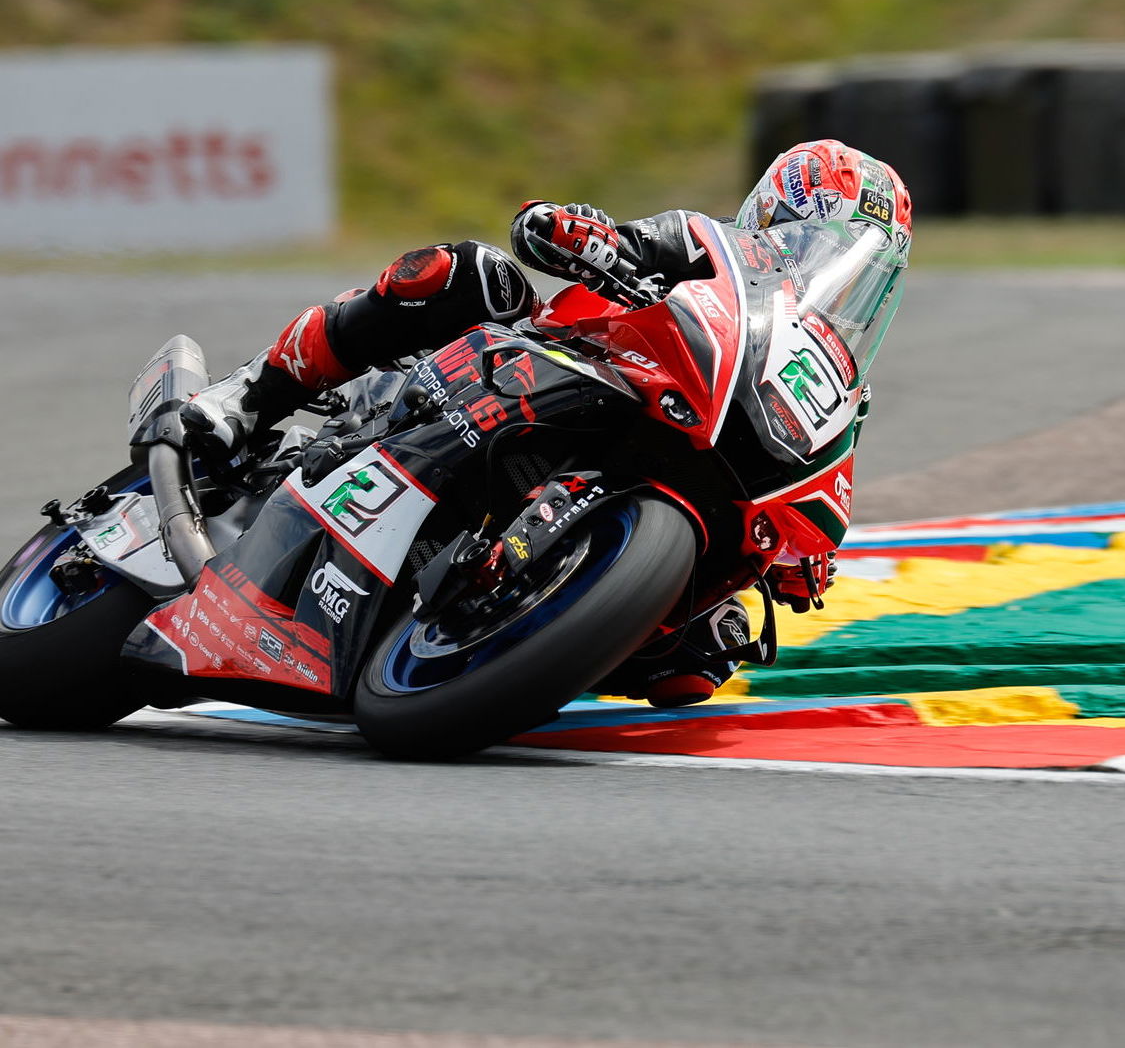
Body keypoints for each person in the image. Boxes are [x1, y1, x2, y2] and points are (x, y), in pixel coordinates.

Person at [182, 140, 912, 706]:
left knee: (698, 658)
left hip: (675, 453)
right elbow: (622, 240)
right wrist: (588, 237)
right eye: (817, 241)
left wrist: (801, 557)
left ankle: (509, 617)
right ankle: (251, 393)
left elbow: (820, 500)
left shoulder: (830, 378)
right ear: (772, 217)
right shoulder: (710, 248)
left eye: (863, 266)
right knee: (465, 274)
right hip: (553, 367)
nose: (835, 270)